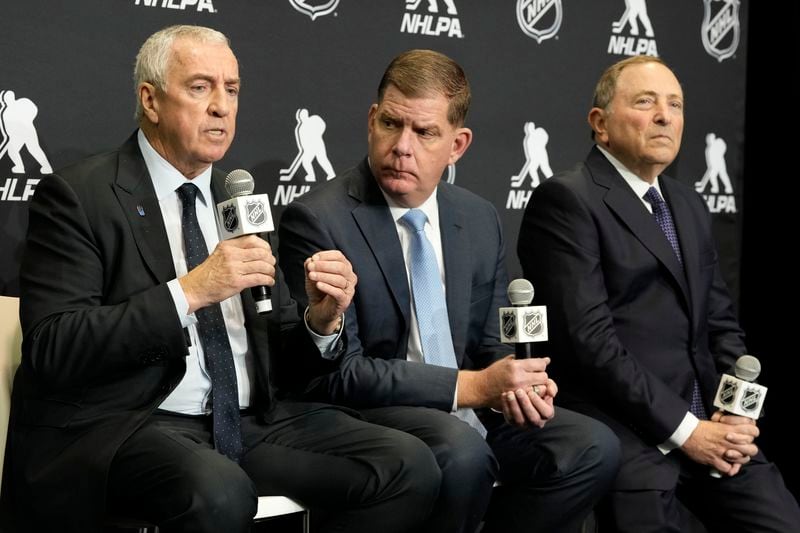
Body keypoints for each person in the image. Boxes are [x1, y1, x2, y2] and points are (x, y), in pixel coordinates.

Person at [2, 25, 441, 533]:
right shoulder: (81, 196)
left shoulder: (240, 200)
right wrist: (191, 291)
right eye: (200, 87)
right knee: (219, 491)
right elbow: (54, 345)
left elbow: (278, 351)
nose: (221, 106)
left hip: (247, 421)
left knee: (406, 465)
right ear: (150, 100)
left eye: (231, 90)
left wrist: (321, 321)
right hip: (131, 423)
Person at [278, 49, 620, 533]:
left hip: (469, 412)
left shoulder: (479, 218)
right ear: (372, 120)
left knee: (591, 446)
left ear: (457, 145)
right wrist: (475, 387)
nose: (402, 146)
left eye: (424, 133)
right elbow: (338, 375)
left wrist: (517, 386)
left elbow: (491, 343)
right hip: (372, 418)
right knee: (461, 452)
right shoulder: (318, 219)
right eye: (392, 124)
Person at [518, 55, 800, 532]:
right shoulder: (567, 201)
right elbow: (590, 344)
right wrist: (687, 432)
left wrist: (736, 417)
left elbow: (721, 327)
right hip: (626, 434)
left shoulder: (688, 204)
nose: (666, 116)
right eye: (645, 102)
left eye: (675, 104)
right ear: (599, 123)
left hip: (711, 427)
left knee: (780, 521)